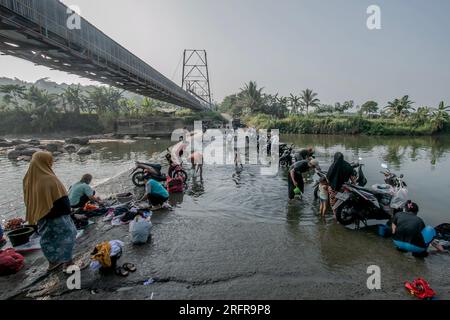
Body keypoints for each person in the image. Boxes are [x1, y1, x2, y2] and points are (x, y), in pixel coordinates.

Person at [23, 152, 77, 272]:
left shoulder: (28, 178)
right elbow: (62, 198)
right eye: (50, 160)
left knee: (47, 239)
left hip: (41, 215)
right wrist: (70, 211)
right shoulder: (49, 178)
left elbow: (29, 200)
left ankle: (52, 263)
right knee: (68, 236)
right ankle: (68, 263)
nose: (51, 163)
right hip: (58, 215)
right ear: (45, 162)